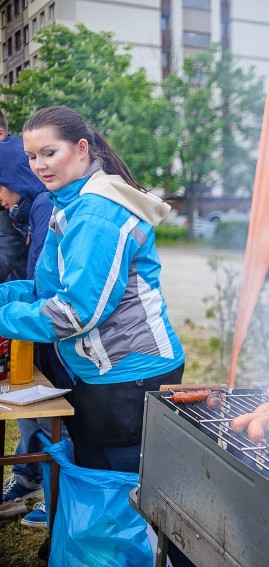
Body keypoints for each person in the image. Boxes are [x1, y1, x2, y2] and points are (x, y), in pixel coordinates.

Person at [0, 105, 185, 476]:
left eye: (49, 153)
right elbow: (46, 289)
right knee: (96, 473)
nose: (39, 166)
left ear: (81, 148)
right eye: (32, 156)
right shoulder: (68, 203)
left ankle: (129, 537)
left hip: (130, 373)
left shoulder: (96, 213)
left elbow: (74, 313)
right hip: (100, 370)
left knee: (122, 486)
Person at [0, 111, 69, 529]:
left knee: (50, 408)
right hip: (31, 321)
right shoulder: (36, 206)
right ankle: (33, 479)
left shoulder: (47, 207)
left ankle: (57, 497)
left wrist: (9, 313)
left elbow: (49, 287)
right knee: (33, 402)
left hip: (54, 333)